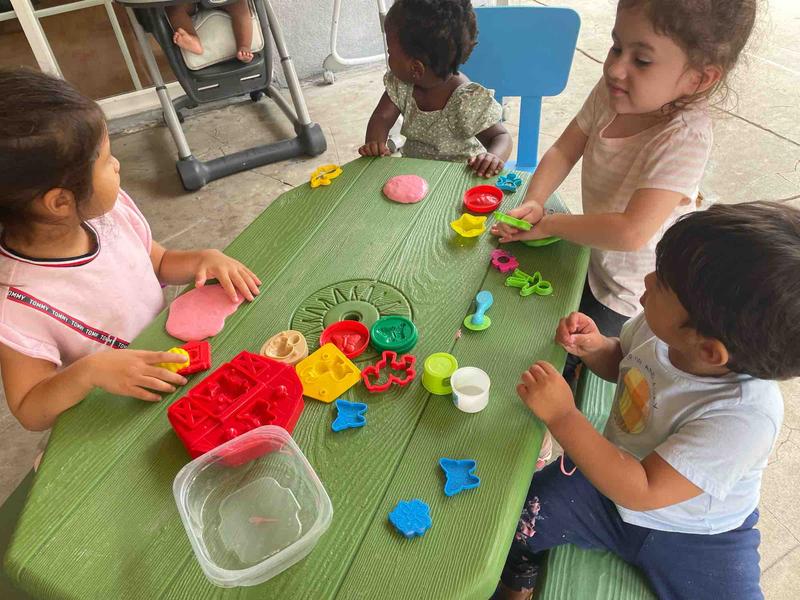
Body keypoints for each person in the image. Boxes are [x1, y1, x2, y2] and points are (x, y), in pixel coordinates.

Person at [497, 202, 800, 600]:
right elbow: (625, 362)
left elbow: (642, 490)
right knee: (513, 520)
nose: (647, 277)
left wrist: (563, 415)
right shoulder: (661, 329)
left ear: (709, 350)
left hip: (695, 534)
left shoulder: (743, 418)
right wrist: (596, 348)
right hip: (606, 483)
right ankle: (516, 586)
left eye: (663, 285)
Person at [0, 68, 261, 432]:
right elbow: (30, 408)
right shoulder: (17, 303)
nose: (119, 164)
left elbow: (159, 262)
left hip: (173, 363)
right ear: (60, 202)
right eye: (106, 160)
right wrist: (88, 373)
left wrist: (203, 259)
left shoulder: (108, 213)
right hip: (115, 415)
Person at [360, 0, 512, 178]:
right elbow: (382, 117)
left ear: (416, 68)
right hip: (415, 175)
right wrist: (375, 143)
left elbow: (501, 137)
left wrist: (492, 157)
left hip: (461, 179)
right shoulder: (401, 84)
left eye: (390, 52)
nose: (388, 57)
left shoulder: (466, 99)